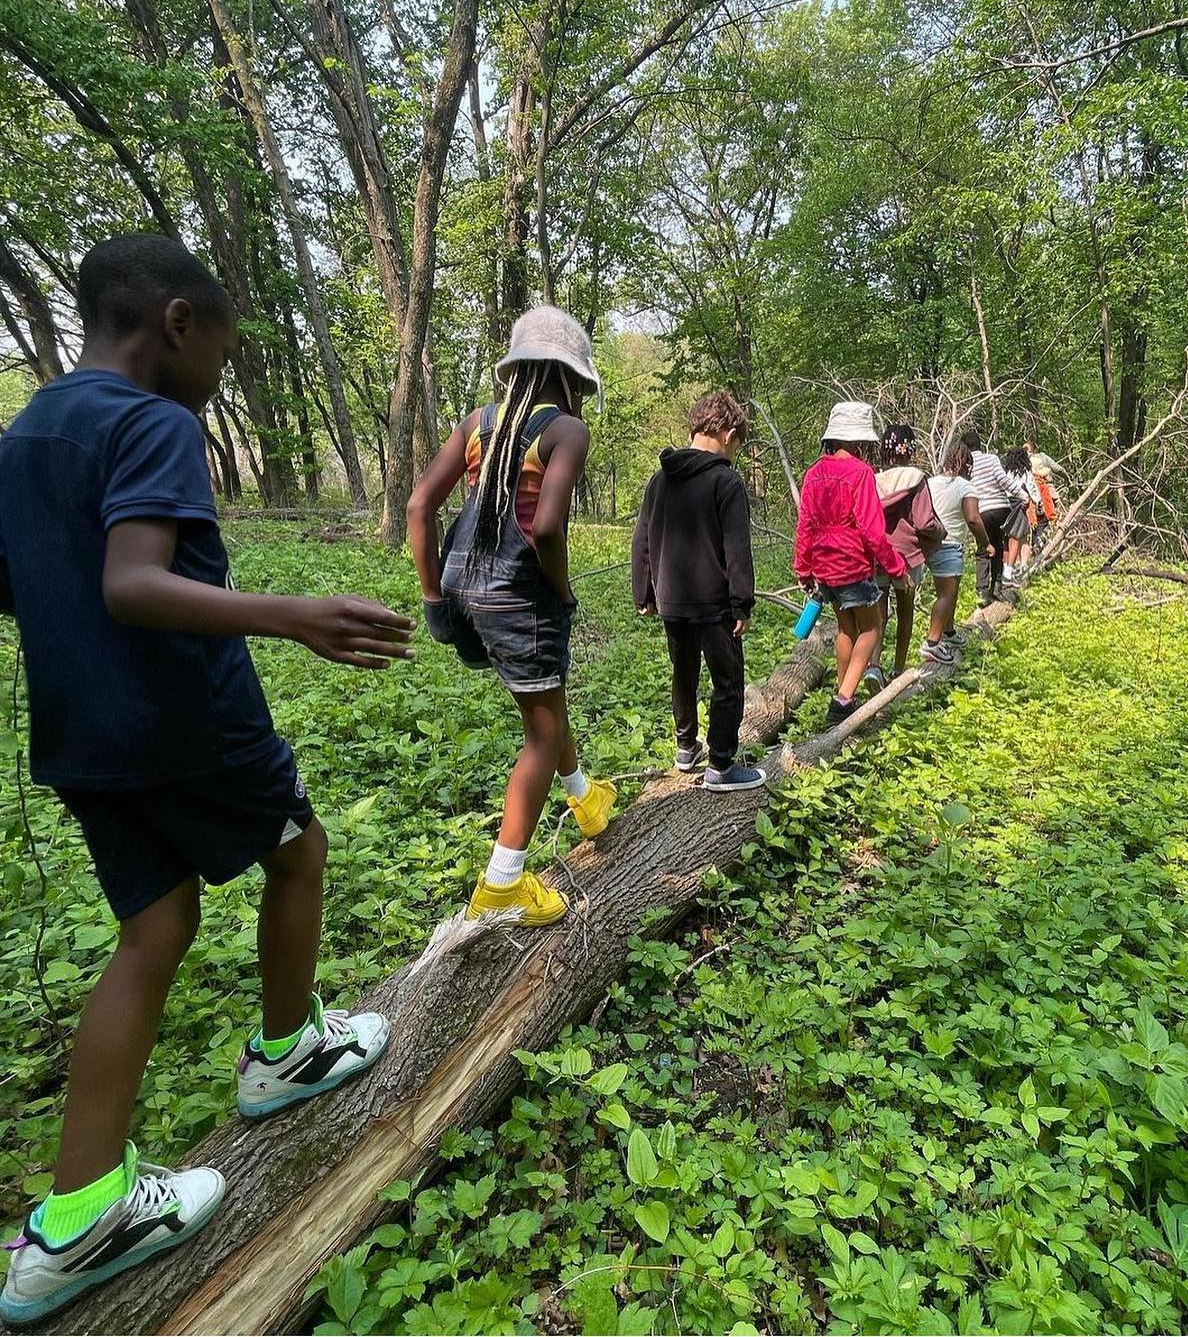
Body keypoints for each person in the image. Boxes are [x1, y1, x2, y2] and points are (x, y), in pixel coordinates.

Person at [0, 235, 411, 1323]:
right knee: (298, 850)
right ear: (178, 323)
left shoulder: (30, 428)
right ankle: (286, 1050)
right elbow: (134, 583)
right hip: (185, 719)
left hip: (81, 735)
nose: (218, 379)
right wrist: (296, 616)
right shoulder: (154, 421)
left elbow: (28, 586)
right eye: (222, 357)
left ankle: (80, 1211)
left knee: (155, 927)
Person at [408, 306, 616, 930]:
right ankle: (502, 884)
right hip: (521, 598)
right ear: (572, 377)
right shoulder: (567, 432)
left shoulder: (480, 423)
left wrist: (433, 599)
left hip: (463, 587)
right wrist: (561, 589)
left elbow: (421, 506)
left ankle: (584, 800)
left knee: (545, 704)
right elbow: (546, 526)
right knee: (541, 733)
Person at [631, 392, 764, 792]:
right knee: (728, 682)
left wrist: (644, 592)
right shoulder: (726, 481)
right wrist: (742, 602)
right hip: (714, 605)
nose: (735, 451)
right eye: (736, 442)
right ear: (726, 433)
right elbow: (736, 549)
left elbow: (642, 541)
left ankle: (686, 748)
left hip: (672, 602)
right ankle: (721, 765)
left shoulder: (660, 479)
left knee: (683, 674)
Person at [794, 402, 911, 727]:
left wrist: (803, 568)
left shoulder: (814, 473)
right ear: (859, 441)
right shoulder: (860, 473)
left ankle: (843, 692)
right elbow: (873, 531)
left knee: (847, 628)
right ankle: (844, 699)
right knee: (872, 629)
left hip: (825, 567)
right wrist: (896, 567)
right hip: (852, 565)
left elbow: (804, 525)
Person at [872, 424, 946, 682]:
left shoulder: (874, 480)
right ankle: (898, 669)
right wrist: (941, 532)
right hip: (908, 556)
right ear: (910, 449)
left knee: (878, 613)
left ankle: (873, 665)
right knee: (905, 612)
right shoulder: (916, 478)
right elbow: (924, 522)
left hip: (878, 554)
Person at [925, 442, 995, 658]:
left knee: (948, 593)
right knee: (947, 595)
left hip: (928, 543)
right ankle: (932, 643)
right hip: (950, 543)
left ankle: (948, 631)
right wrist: (986, 543)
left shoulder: (930, 482)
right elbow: (973, 519)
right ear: (967, 464)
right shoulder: (966, 486)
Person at [961, 427, 1027, 605]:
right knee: (998, 545)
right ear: (980, 444)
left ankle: (982, 591)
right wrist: (1022, 495)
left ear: (964, 447)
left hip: (980, 511)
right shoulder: (991, 459)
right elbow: (1003, 480)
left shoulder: (965, 464)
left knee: (983, 548)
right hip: (1000, 509)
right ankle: (996, 586)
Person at [1001, 446, 1040, 576]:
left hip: (1005, 505)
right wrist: (1038, 502)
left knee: (1006, 538)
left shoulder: (1005, 472)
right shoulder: (1025, 472)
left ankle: (1005, 565)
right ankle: (1016, 567)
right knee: (1019, 536)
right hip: (1020, 506)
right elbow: (1033, 489)